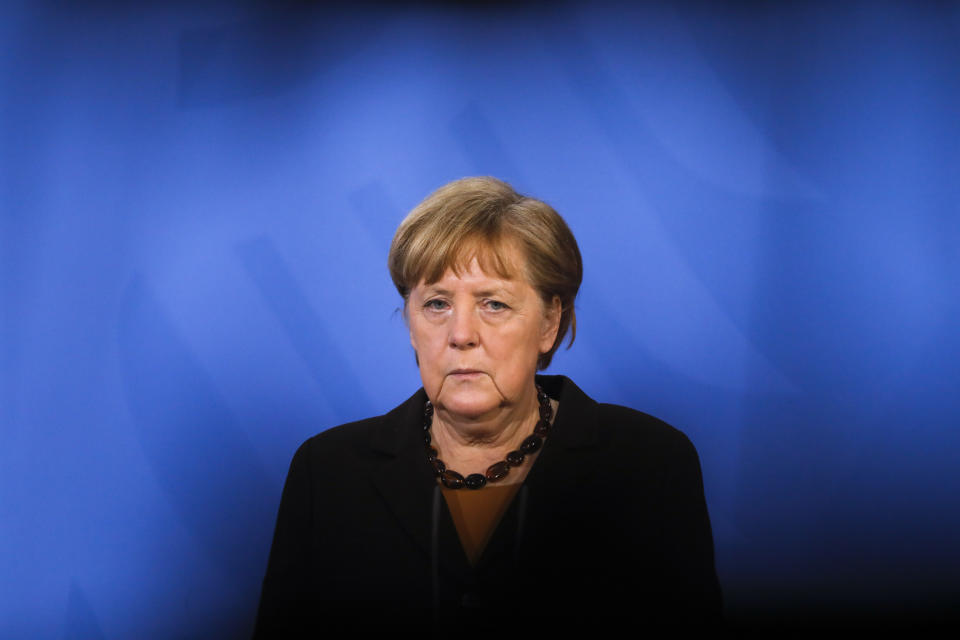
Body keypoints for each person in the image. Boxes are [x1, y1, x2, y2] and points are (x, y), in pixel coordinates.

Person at [252, 177, 721, 636]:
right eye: (436, 304)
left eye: (493, 304)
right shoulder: (327, 472)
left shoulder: (651, 464)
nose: (461, 334)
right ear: (411, 327)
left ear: (549, 323)